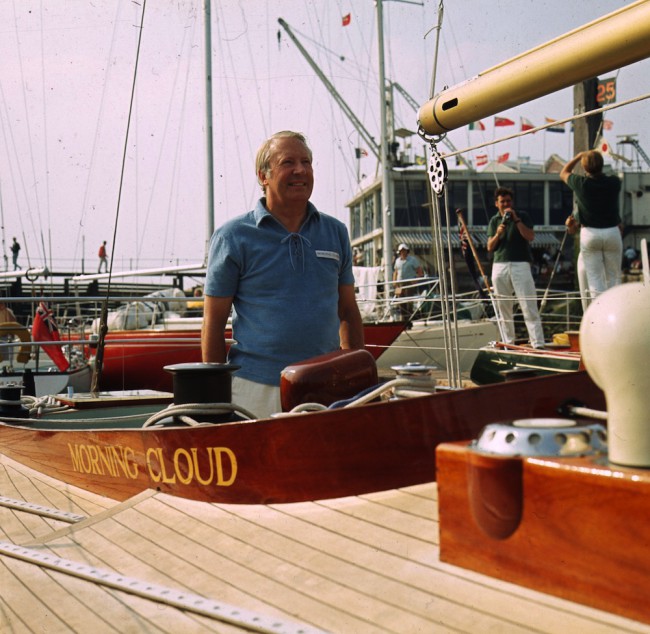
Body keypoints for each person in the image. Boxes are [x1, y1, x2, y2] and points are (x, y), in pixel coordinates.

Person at [201, 131, 364, 418]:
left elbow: (348, 311)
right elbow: (213, 323)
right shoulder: (233, 236)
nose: (300, 170)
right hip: (255, 388)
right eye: (288, 162)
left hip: (325, 386)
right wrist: (216, 397)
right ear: (263, 176)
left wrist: (356, 379)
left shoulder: (335, 232)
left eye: (306, 162)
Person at [487, 186, 545, 348]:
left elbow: (530, 236)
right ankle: (508, 342)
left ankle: (538, 343)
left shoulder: (523, 216)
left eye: (508, 201)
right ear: (496, 204)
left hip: (521, 264)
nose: (506, 204)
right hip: (500, 265)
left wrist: (516, 220)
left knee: (528, 304)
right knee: (504, 307)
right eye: (502, 201)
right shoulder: (494, 221)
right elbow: (489, 247)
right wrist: (498, 233)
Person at [560, 150, 622, 300]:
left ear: (585, 168)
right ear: (602, 165)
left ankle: (599, 315)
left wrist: (578, 156)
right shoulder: (614, 182)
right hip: (612, 232)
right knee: (614, 278)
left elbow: (564, 172)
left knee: (594, 280)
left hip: (590, 233)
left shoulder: (581, 184)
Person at [392, 243, 423, 318]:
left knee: (409, 302)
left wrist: (415, 280)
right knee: (401, 302)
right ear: (399, 252)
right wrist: (394, 282)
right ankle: (403, 320)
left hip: (409, 283)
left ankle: (409, 320)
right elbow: (395, 272)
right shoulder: (397, 261)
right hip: (400, 284)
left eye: (404, 250)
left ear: (407, 251)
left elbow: (420, 271)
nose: (403, 252)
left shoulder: (412, 260)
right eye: (401, 251)